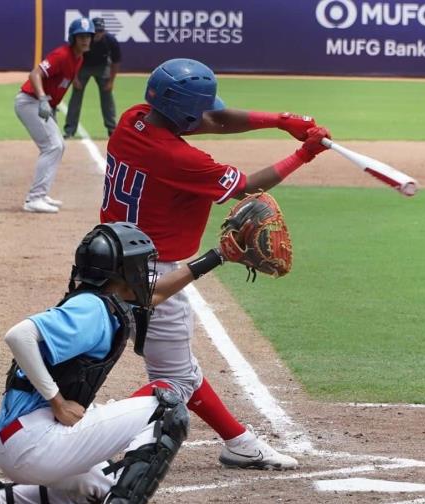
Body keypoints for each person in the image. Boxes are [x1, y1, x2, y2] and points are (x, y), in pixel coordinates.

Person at [101, 57, 331, 470]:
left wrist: (281, 120)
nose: (210, 116)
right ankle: (88, 440)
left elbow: (215, 120)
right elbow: (248, 188)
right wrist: (303, 154)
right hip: (153, 274)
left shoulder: (134, 119)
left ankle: (239, 442)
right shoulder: (181, 159)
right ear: (186, 115)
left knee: (181, 369)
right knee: (172, 381)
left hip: (108, 256)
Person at [0, 222, 228, 504]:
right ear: (122, 272)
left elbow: (155, 294)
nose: (146, 273)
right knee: (166, 409)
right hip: (35, 441)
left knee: (101, 489)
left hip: (22, 439)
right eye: (140, 265)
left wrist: (216, 256)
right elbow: (19, 335)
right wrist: (57, 401)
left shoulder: (103, 299)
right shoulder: (92, 310)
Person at [15, 17, 94, 214]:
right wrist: (43, 99)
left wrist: (52, 102)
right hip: (30, 101)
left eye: (88, 36)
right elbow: (34, 74)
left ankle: (41, 194)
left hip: (42, 104)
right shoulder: (61, 54)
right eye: (81, 36)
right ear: (73, 38)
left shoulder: (78, 58)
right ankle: (34, 198)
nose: (85, 40)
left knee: (58, 146)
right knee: (52, 146)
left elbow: (63, 79)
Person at [63, 17, 122, 139]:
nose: (98, 34)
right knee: (76, 97)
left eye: (101, 31)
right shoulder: (82, 40)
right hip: (82, 66)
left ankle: (112, 129)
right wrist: (74, 78)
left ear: (104, 31)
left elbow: (115, 62)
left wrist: (111, 81)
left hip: (102, 66)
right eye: (96, 31)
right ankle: (70, 130)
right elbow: (72, 58)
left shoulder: (110, 41)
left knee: (107, 97)